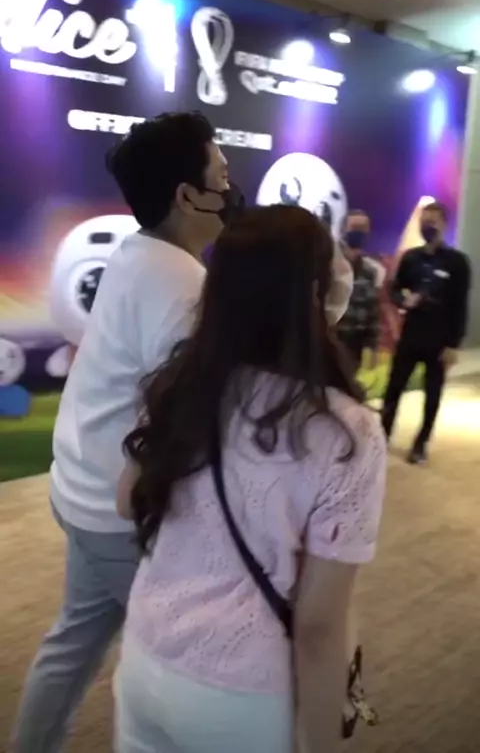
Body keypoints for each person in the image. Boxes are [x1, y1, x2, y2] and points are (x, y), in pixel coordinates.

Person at [114, 205, 387, 753]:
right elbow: (318, 625)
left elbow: (127, 501)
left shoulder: (183, 384)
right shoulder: (346, 433)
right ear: (314, 295)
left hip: (145, 656)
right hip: (242, 693)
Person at [11, 112, 241, 753]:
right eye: (222, 176)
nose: (232, 188)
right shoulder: (183, 284)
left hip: (80, 488)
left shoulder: (138, 253)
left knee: (74, 639)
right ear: (188, 195)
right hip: (118, 511)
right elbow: (190, 416)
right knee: (174, 670)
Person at [381, 200, 471, 464]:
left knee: (432, 394)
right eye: (424, 221)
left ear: (444, 224)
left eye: (433, 221)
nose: (427, 226)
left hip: (440, 339)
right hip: (411, 334)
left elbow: (460, 305)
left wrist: (453, 344)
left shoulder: (457, 262)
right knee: (394, 387)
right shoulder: (411, 258)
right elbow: (395, 288)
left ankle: (420, 444)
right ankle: (381, 435)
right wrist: (402, 300)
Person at [337, 210, 381, 372]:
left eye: (363, 228)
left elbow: (373, 311)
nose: (359, 232)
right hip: (332, 339)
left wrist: (372, 346)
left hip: (356, 344)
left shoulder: (370, 271)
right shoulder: (328, 264)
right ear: (343, 230)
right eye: (355, 227)